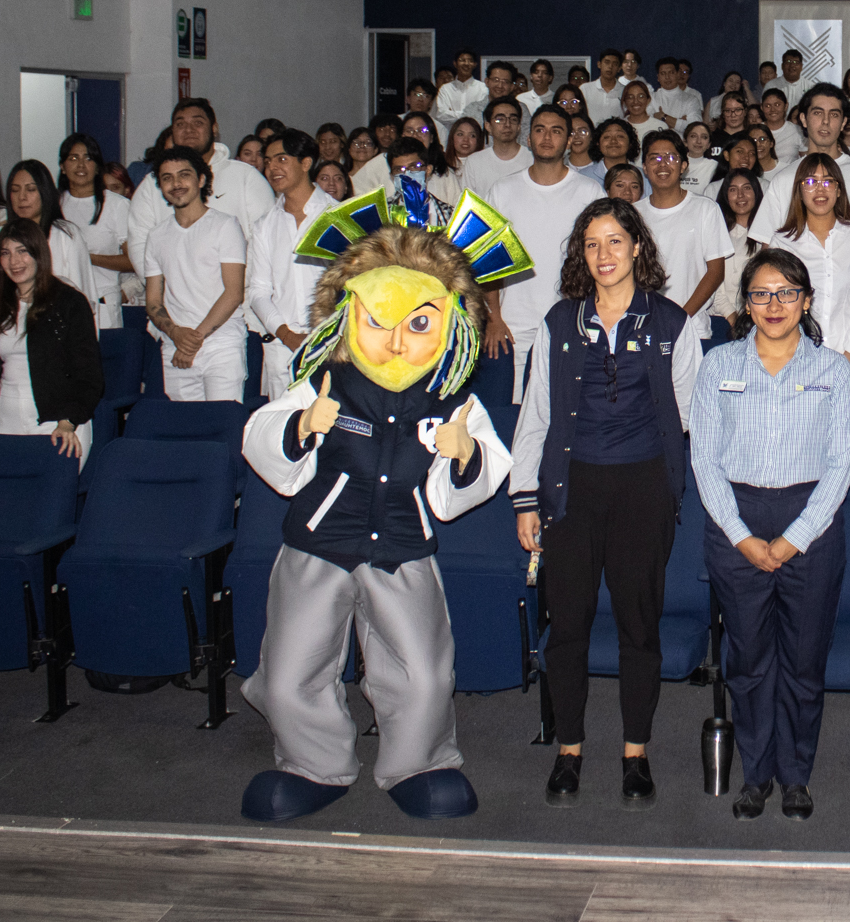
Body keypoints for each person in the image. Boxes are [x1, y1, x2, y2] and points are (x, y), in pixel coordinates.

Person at [238, 219, 517, 824]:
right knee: (290, 674)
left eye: (418, 324)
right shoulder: (323, 379)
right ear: (347, 314)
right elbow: (260, 437)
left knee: (422, 675)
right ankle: (312, 765)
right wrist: (299, 427)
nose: (396, 341)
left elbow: (489, 468)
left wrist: (464, 452)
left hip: (401, 546)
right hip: (318, 543)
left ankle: (419, 763)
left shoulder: (453, 397)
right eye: (378, 321)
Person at [511, 200, 703, 809]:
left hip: (644, 488)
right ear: (581, 254)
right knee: (565, 626)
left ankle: (635, 753)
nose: (604, 255)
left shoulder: (673, 322)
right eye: (592, 244)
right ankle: (569, 749)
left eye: (615, 241)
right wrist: (525, 499)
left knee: (638, 626)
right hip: (572, 488)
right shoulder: (558, 321)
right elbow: (535, 414)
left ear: (637, 248)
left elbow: (694, 414)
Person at [691, 250, 850, 821]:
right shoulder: (717, 365)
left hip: (810, 522)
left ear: (807, 301)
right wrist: (741, 536)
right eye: (761, 294)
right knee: (749, 660)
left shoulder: (833, 371)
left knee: (804, 660)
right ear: (745, 304)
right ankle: (755, 775)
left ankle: (796, 775)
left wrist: (792, 539)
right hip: (733, 520)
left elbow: (842, 465)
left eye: (787, 293)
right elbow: (704, 461)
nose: (774, 305)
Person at [482, 108, 607, 397]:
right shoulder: (502, 191)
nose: (547, 137)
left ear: (569, 140)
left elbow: (602, 263)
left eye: (556, 130)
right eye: (539, 129)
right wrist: (494, 317)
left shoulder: (590, 193)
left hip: (571, 324)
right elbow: (486, 261)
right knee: (513, 417)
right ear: (528, 137)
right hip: (512, 327)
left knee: (565, 416)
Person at [0, 216, 102, 464]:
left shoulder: (70, 303)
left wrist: (67, 422)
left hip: (59, 425)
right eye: (5, 253)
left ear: (39, 253)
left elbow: (90, 377)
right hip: (5, 422)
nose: (14, 261)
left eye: (22, 251)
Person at [126, 99, 274, 293]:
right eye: (180, 124)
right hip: (173, 304)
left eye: (197, 123)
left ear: (214, 128)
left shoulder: (245, 177)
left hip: (239, 304)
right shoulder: (152, 184)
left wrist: (227, 289)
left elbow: (265, 242)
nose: (188, 130)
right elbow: (140, 245)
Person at [142, 147, 250, 401]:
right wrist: (177, 335)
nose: (176, 183)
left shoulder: (226, 226)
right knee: (187, 433)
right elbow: (153, 302)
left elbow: (234, 293)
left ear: (201, 180)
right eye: (167, 178)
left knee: (224, 427)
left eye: (184, 175)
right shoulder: (156, 236)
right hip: (175, 348)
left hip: (221, 345)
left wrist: (194, 339)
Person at [747, 85, 850, 256]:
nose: (825, 121)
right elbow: (768, 245)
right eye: (818, 113)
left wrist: (835, 249)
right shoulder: (784, 178)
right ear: (803, 119)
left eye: (834, 115)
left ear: (843, 123)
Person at [764, 154, 850, 377]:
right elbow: (776, 307)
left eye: (828, 181)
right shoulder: (781, 242)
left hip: (846, 363)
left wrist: (845, 360)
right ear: (799, 190)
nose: (819, 189)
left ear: (838, 190)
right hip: (792, 363)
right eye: (810, 182)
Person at [248, 130, 330, 399]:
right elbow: (258, 292)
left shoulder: (337, 215)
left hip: (330, 343)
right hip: (282, 347)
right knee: (284, 432)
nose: (271, 168)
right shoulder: (264, 225)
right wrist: (287, 335)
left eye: (281, 159)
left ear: (305, 163)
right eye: (268, 161)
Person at [635, 131, 732, 319]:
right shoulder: (632, 214)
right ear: (645, 168)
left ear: (683, 166)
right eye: (654, 158)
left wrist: (681, 317)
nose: (662, 164)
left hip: (691, 324)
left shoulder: (705, 208)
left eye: (671, 157)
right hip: (642, 323)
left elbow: (716, 272)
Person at [0, 159, 98, 313]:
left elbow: (83, 293)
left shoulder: (65, 234)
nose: (22, 197)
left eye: (30, 190)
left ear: (44, 192)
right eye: (15, 190)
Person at [58, 135, 131, 329]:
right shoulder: (54, 205)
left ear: (98, 166)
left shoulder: (117, 205)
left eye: (88, 158)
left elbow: (133, 261)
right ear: (62, 167)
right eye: (73, 158)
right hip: (60, 304)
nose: (81, 165)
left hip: (103, 301)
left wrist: (87, 257)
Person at [709, 169, 764, 332]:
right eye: (733, 190)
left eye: (746, 188)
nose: (740, 195)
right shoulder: (716, 232)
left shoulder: (767, 236)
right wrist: (732, 316)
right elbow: (713, 280)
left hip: (757, 321)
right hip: (720, 318)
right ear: (726, 196)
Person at [459, 97, 529, 198]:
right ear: (488, 126)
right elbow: (469, 204)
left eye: (513, 119)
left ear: (519, 126)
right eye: (500, 120)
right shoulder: (474, 162)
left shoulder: (532, 159)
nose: (507, 124)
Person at [433, 48, 487, 136]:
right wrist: (469, 113)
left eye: (470, 61)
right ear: (455, 64)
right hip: (450, 136)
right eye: (462, 60)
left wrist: (452, 113)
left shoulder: (482, 88)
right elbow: (441, 115)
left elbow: (480, 115)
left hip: (476, 137)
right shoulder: (445, 89)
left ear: (475, 64)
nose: (466, 64)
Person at [580, 48, 628, 125]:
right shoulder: (585, 89)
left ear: (619, 68)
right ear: (599, 64)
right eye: (607, 62)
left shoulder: (625, 91)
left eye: (615, 64)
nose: (610, 67)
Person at [760, 88, 805, 163]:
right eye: (767, 106)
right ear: (761, 107)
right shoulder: (755, 131)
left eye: (777, 105)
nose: (772, 110)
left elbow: (805, 160)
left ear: (786, 106)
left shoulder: (797, 131)